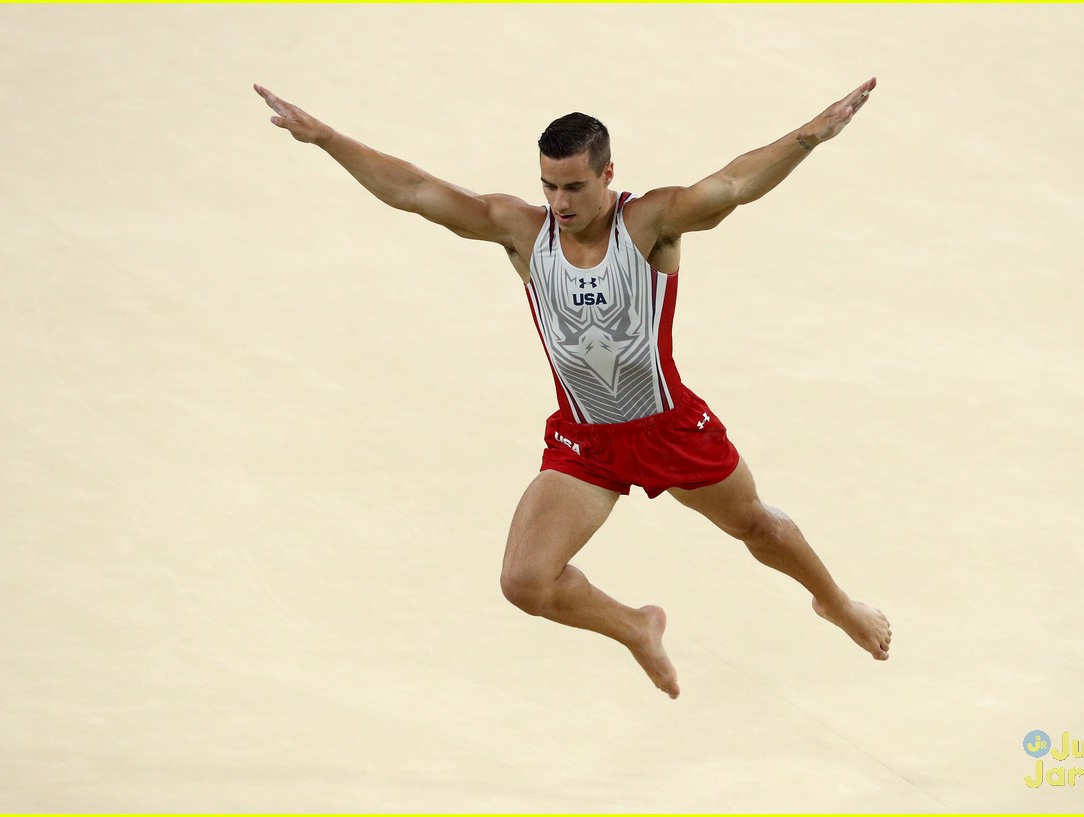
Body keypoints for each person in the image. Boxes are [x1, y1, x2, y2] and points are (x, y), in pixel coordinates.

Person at [254, 79, 891, 699]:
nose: (560, 202)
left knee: (756, 527)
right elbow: (417, 191)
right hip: (585, 437)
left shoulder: (648, 224)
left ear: (608, 174)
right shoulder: (523, 231)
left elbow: (729, 185)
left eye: (575, 186)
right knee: (525, 582)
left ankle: (835, 602)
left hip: (668, 426)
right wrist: (327, 138)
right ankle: (636, 627)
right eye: (549, 186)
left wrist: (809, 136)